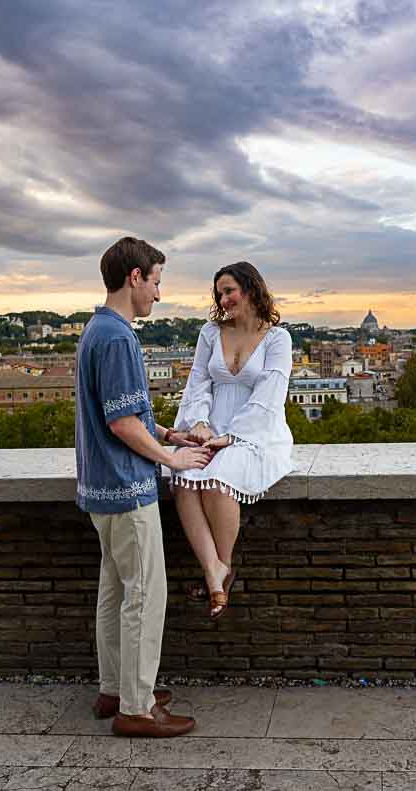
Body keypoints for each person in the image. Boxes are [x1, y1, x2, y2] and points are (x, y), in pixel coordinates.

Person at [74, 236, 213, 738]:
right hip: (127, 488)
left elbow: (125, 413)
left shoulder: (96, 330)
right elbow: (121, 424)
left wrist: (166, 432)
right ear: (135, 278)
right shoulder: (118, 338)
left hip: (100, 489)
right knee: (145, 596)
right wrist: (172, 457)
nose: (158, 293)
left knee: (114, 593)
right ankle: (137, 707)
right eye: (156, 281)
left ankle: (116, 687)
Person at [169, 261, 294, 619]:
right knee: (184, 478)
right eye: (219, 293)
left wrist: (232, 436)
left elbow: (271, 394)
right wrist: (201, 425)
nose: (223, 300)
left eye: (229, 291)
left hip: (256, 430)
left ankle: (220, 566)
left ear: (251, 290)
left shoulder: (277, 338)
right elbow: (197, 384)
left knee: (217, 480)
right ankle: (216, 571)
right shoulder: (210, 333)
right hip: (210, 425)